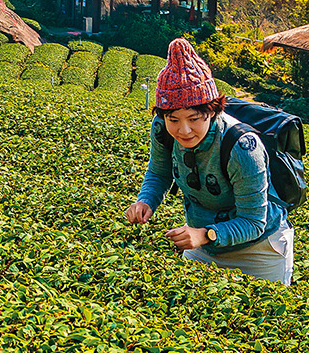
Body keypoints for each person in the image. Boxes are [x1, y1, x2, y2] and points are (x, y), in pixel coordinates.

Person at [125, 39, 295, 285]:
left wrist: (206, 234)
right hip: (203, 241)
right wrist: (146, 202)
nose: (184, 130)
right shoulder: (162, 128)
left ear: (213, 111)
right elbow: (159, 172)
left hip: (259, 250)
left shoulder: (243, 147)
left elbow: (253, 221)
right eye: (174, 119)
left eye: (194, 119)